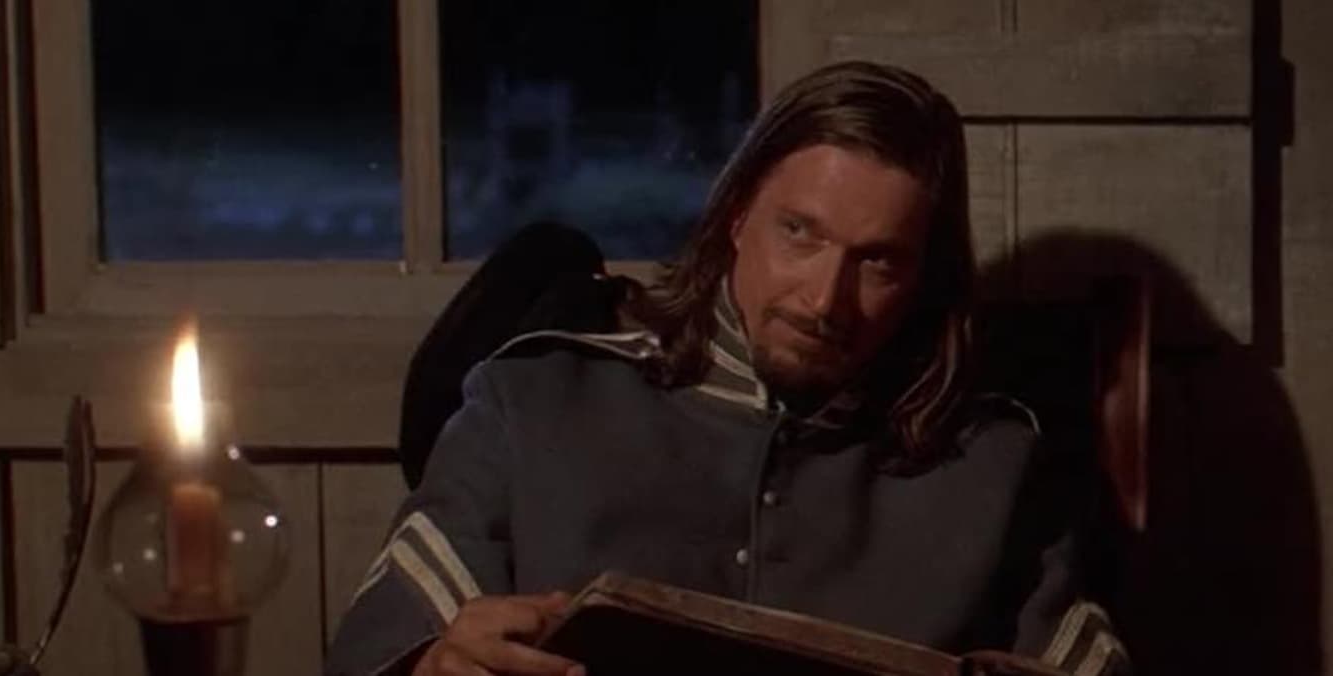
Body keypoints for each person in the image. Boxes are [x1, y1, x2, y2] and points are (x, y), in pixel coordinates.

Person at [325, 61, 1127, 676]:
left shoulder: (994, 468)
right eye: (800, 232)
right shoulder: (533, 401)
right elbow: (376, 653)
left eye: (878, 261)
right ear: (738, 214)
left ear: (925, 278)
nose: (825, 300)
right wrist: (435, 663)